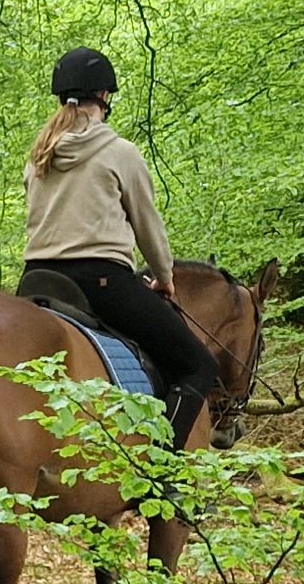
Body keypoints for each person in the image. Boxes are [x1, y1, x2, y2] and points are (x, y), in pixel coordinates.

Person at [22, 46, 218, 447]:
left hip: (37, 281)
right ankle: (162, 472)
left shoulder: (38, 157)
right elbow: (147, 225)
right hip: (99, 283)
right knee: (198, 364)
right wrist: (164, 276)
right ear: (104, 97)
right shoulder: (119, 153)